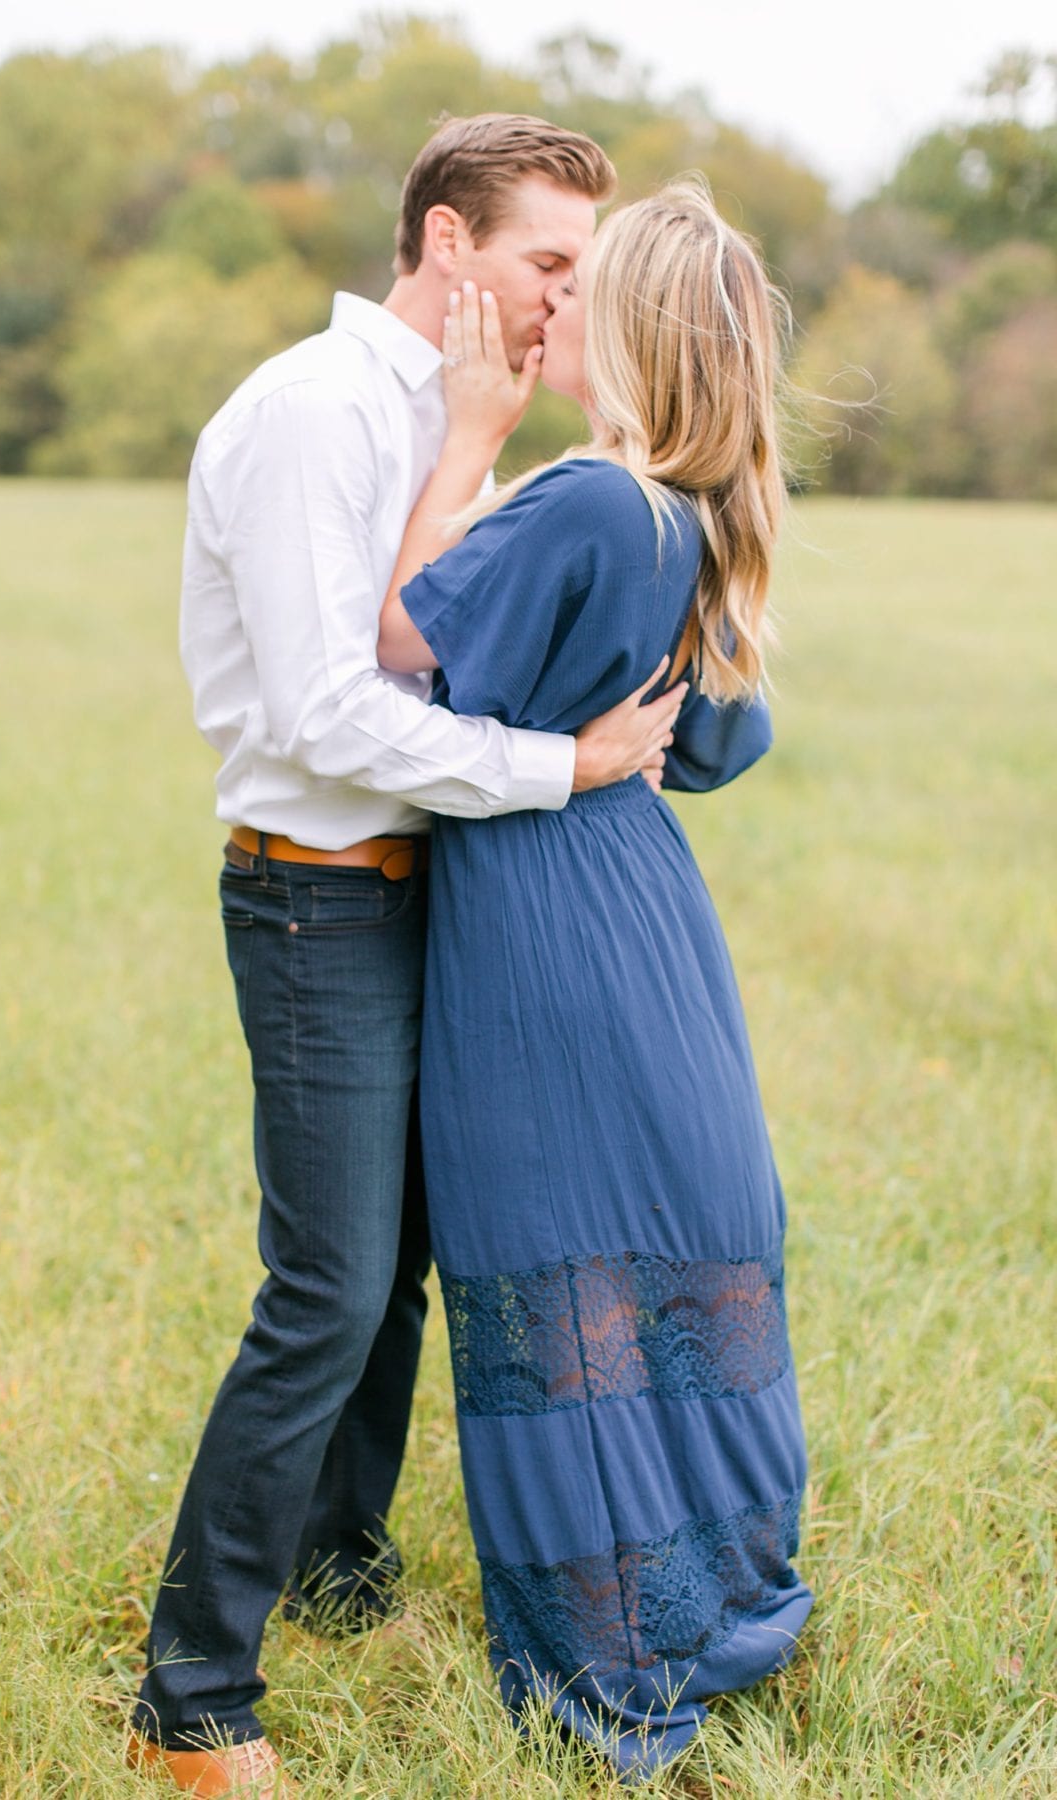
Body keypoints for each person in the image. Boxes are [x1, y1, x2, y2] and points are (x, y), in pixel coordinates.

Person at [128, 116, 689, 1799]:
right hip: (317, 895)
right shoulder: (313, 414)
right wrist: (563, 769)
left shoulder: (465, 422)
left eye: (581, 276)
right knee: (323, 1294)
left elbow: (470, 647)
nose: (562, 302)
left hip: (431, 899)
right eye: (545, 268)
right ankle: (191, 1697)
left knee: (400, 1276)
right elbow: (327, 709)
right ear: (447, 245)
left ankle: (341, 1569)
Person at [377, 181, 814, 1781]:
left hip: (543, 913)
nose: (549, 307)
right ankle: (716, 1592)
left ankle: (611, 1638)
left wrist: (467, 433)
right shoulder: (695, 511)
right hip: (647, 908)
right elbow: (717, 749)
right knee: (660, 1258)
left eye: (582, 284)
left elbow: (404, 636)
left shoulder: (584, 500)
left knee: (558, 1259)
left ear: (632, 329)